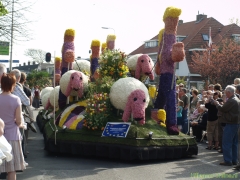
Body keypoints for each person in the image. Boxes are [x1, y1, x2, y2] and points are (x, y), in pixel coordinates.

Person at [0, 73, 27, 180]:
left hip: (0, 137)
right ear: (13, 85)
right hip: (12, 137)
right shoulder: (16, 99)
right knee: (11, 169)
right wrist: (21, 124)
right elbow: (19, 120)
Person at [213, 85, 240, 166]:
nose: (225, 94)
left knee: (227, 143)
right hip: (235, 123)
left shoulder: (232, 100)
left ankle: (228, 160)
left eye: (226, 93)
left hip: (231, 123)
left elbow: (223, 109)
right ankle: (234, 160)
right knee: (234, 143)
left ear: (229, 92)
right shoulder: (236, 99)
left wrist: (217, 104)